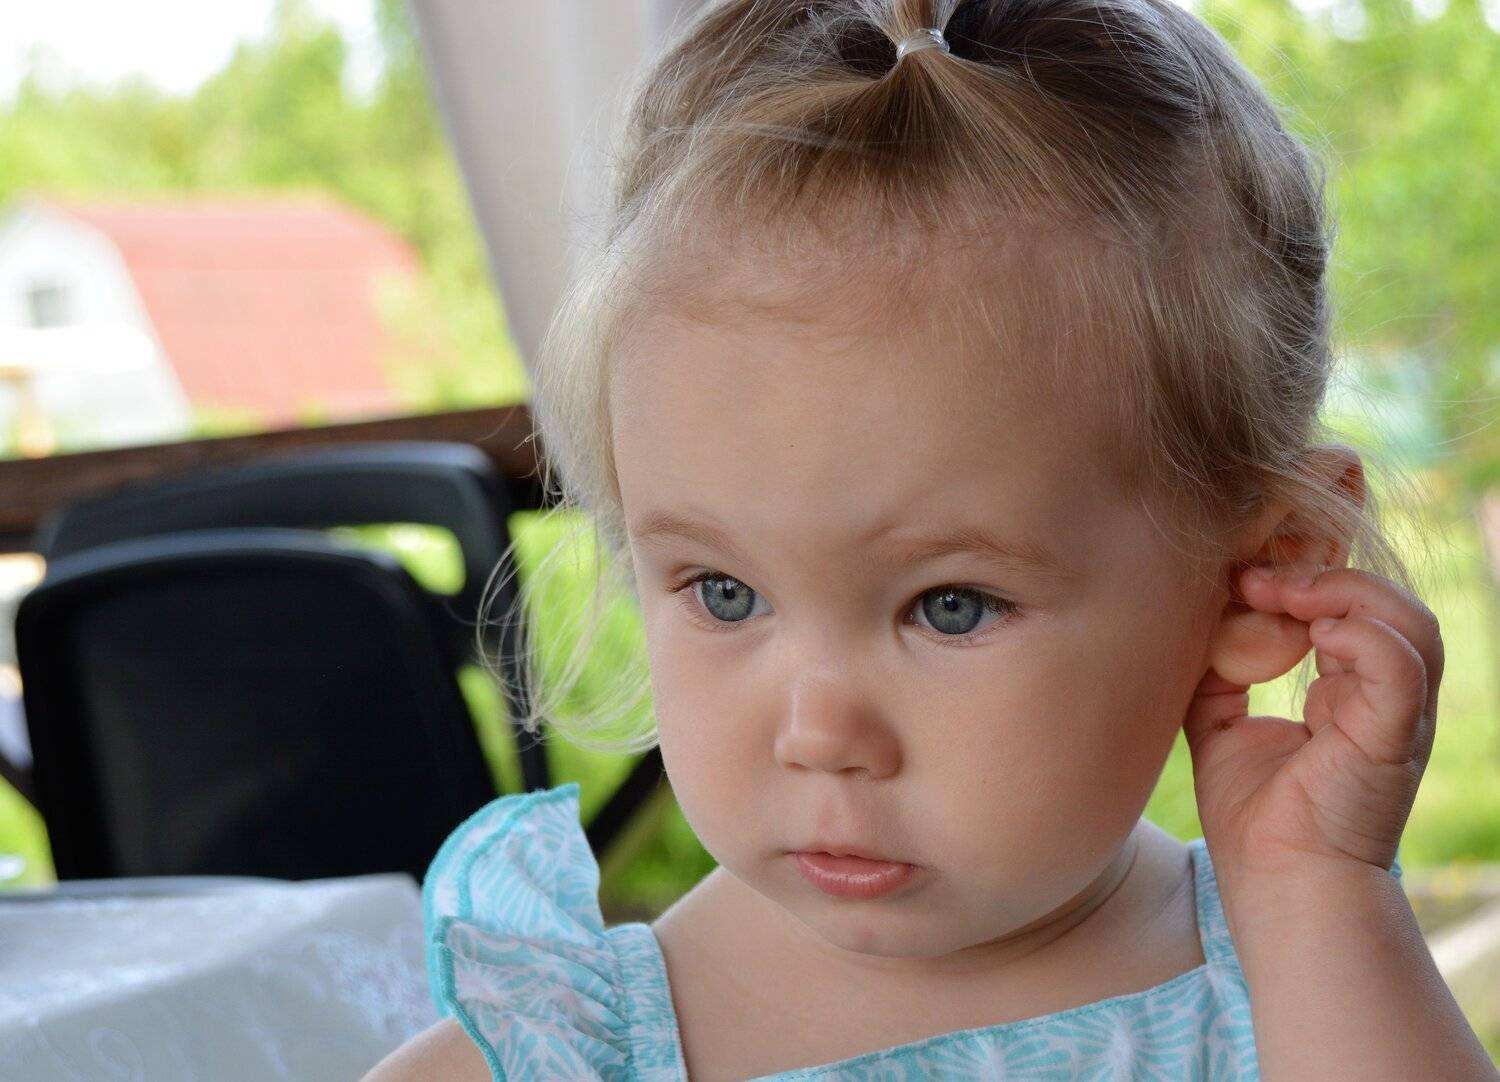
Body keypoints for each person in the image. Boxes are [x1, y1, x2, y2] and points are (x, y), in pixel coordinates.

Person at [366, 0, 1497, 1078]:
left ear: (1262, 574)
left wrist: (1313, 891)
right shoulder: (565, 1055)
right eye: (722, 591)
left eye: (949, 606)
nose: (819, 734)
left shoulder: (1301, 982)